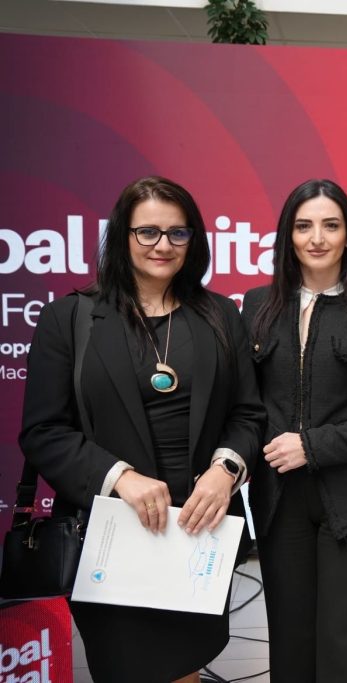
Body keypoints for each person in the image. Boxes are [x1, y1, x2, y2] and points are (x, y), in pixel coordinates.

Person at [19, 176, 264, 683]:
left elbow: (249, 414)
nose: (163, 246)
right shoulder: (70, 318)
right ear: (121, 236)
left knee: (184, 668)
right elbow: (43, 431)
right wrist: (119, 477)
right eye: (147, 232)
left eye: (178, 234)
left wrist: (226, 470)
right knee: (127, 669)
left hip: (199, 533)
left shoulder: (220, 314)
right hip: (110, 533)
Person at [242, 178, 347, 682]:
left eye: (330, 225)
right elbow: (245, 403)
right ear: (287, 236)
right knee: (291, 642)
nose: (317, 237)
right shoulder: (257, 305)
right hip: (278, 499)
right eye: (304, 225)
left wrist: (311, 446)